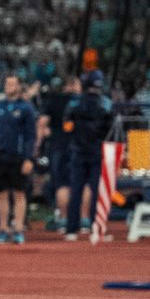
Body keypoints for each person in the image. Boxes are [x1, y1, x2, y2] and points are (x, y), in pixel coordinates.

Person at [0, 74, 38, 245]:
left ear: (19, 86)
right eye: (6, 83)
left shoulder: (27, 109)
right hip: (0, 155)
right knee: (1, 193)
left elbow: (31, 136)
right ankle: (3, 228)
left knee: (19, 193)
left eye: (12, 83)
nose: (8, 86)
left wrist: (29, 158)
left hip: (18, 156)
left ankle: (18, 229)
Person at [62, 70, 115, 239]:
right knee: (96, 190)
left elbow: (67, 125)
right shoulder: (106, 102)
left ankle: (71, 229)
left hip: (79, 150)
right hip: (96, 151)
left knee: (76, 189)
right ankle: (96, 227)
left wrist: (74, 138)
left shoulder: (75, 102)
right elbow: (111, 130)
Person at [41, 75, 80, 229]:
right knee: (82, 185)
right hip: (79, 147)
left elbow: (42, 123)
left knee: (62, 184)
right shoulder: (81, 101)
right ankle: (83, 219)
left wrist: (42, 140)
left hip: (58, 146)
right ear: (75, 85)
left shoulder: (55, 100)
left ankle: (64, 219)